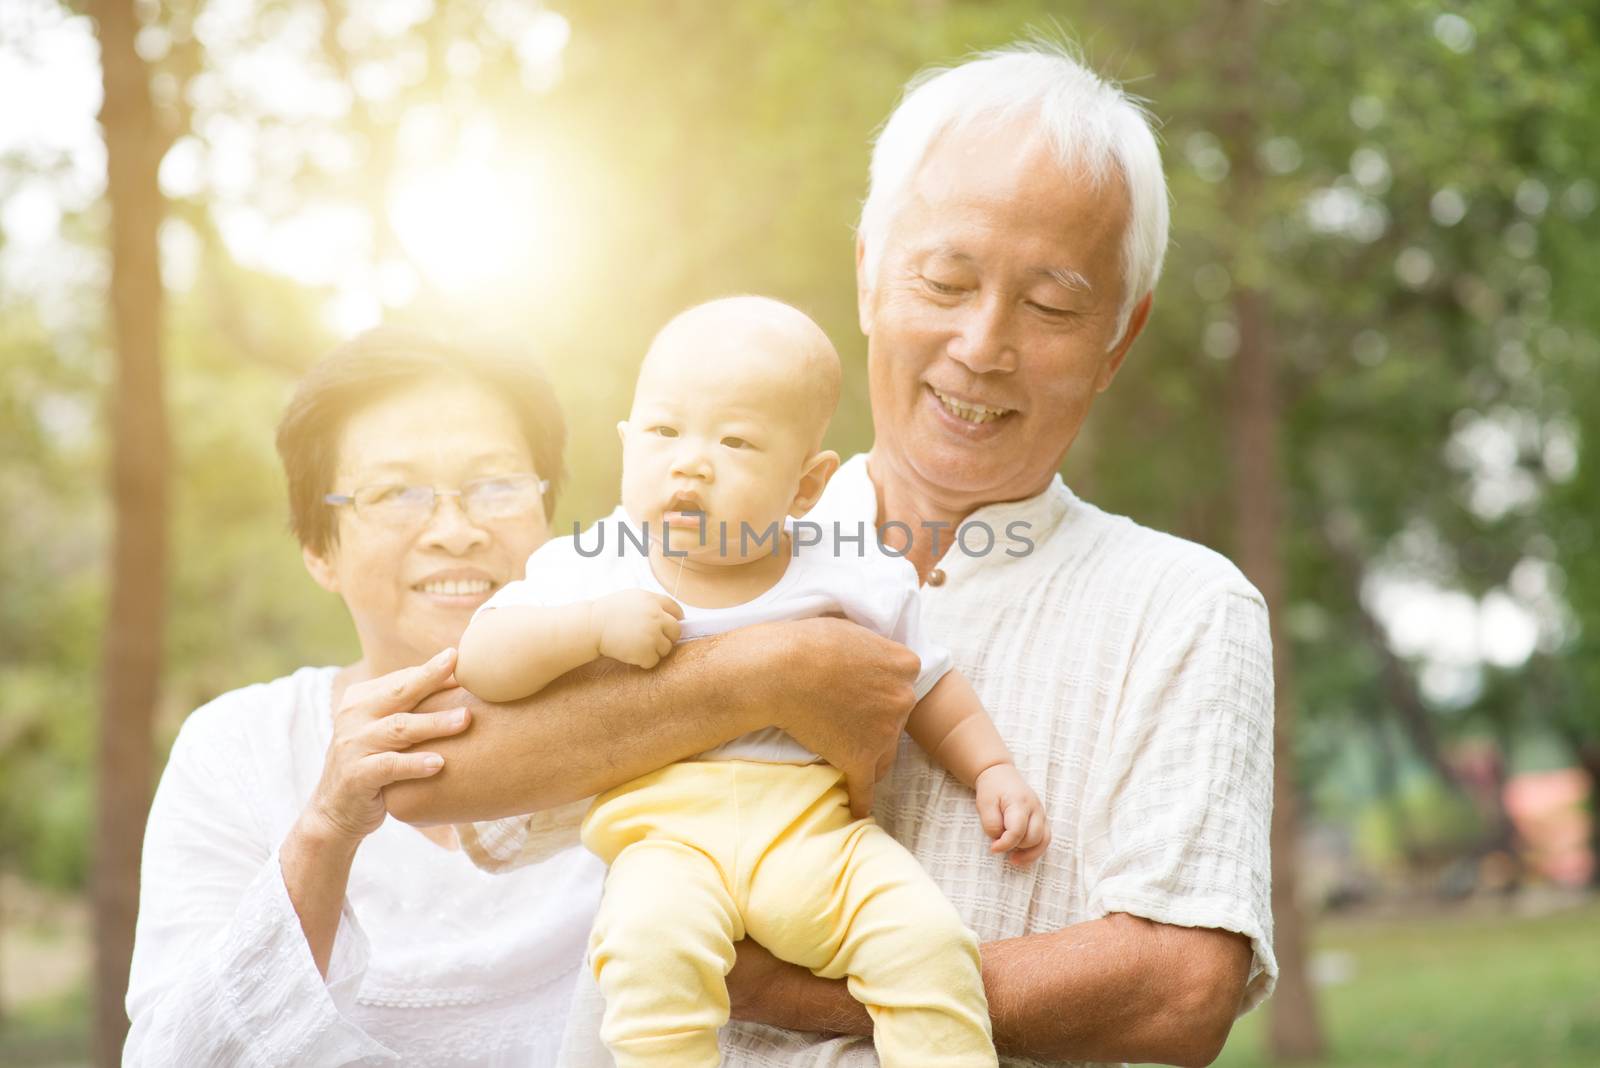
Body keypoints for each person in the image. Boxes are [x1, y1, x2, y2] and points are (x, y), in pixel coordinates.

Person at [390, 41, 1276, 1068]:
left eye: (1051, 306)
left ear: (1118, 340)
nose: (983, 344)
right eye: (944, 278)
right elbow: (441, 779)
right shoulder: (674, 546)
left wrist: (810, 992)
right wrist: (763, 672)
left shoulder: (1183, 606)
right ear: (867, 276)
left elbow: (1180, 992)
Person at [124, 327, 923, 1066]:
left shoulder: (677, 691)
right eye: (396, 494)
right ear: (316, 549)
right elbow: (174, 1053)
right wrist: (328, 828)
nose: (456, 530)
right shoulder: (240, 745)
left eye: (495, 485)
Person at [453, 296, 1048, 1066]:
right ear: (629, 445)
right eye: (664, 432)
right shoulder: (599, 561)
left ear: (806, 486)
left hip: (814, 837)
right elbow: (484, 659)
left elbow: (925, 682)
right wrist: (590, 627)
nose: (690, 461)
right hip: (661, 839)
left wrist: (991, 769)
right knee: (646, 955)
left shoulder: (847, 565)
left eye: (735, 441)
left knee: (927, 943)